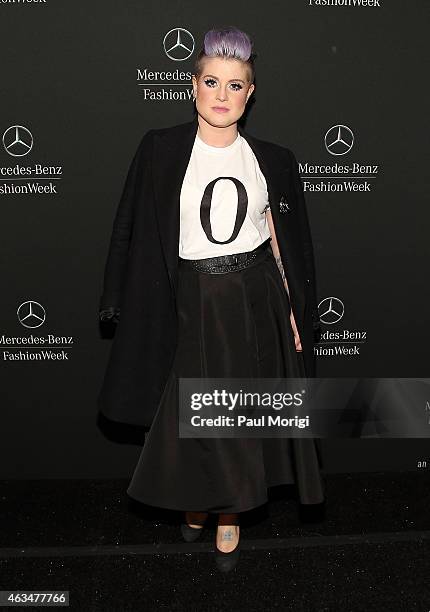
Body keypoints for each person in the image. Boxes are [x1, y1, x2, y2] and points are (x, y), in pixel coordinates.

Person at [99, 26, 325, 573]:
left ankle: (229, 512)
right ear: (193, 88)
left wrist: (296, 310)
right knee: (192, 407)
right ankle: (199, 498)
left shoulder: (273, 158)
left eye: (235, 85)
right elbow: (127, 225)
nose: (222, 94)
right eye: (211, 81)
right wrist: (114, 298)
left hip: (254, 295)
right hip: (189, 294)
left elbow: (283, 242)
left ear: (250, 95)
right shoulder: (159, 149)